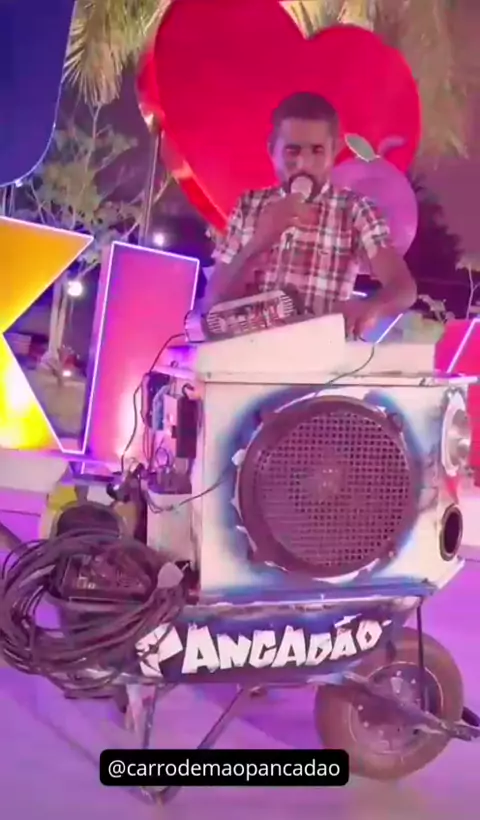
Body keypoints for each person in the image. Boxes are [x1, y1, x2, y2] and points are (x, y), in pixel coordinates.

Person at [204, 92, 417, 338]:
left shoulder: (356, 210)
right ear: (272, 150)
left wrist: (371, 307)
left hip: (320, 357)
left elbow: (404, 288)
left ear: (334, 151)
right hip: (251, 353)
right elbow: (213, 304)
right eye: (292, 151)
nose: (303, 163)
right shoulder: (248, 205)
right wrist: (259, 242)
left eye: (317, 151)